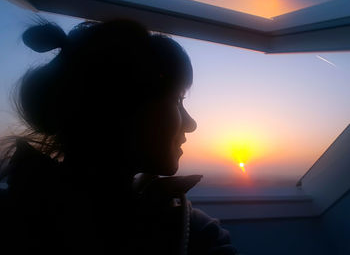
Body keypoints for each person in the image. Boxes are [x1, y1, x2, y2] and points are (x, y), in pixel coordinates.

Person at [0, 19, 238, 254]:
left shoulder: (20, 212)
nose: (191, 124)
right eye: (176, 100)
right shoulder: (192, 233)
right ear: (117, 107)